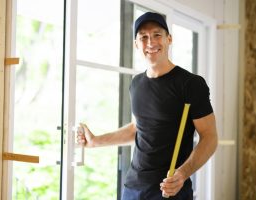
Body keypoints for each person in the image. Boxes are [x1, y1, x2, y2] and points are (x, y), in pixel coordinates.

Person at [77, 12, 218, 200]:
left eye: (157, 35)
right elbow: (139, 129)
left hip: (169, 189)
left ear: (169, 39)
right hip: (133, 188)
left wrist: (182, 174)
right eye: (143, 37)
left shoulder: (190, 84)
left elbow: (210, 137)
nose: (150, 42)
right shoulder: (136, 84)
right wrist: (95, 141)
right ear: (136, 44)